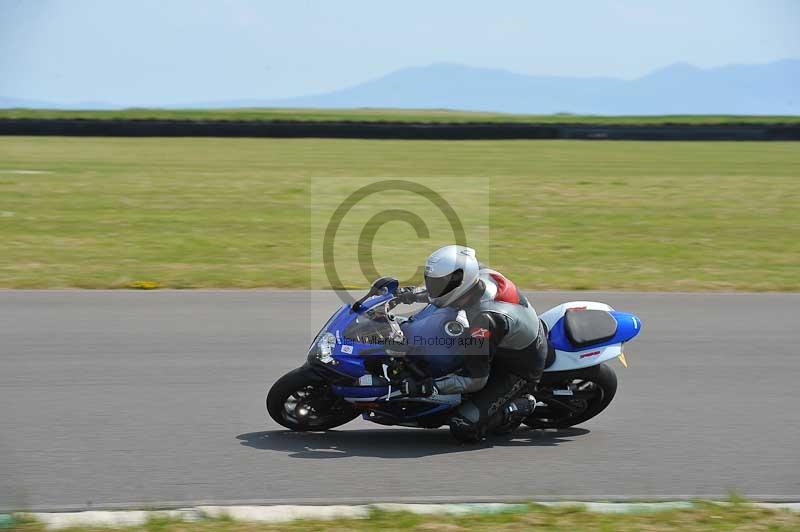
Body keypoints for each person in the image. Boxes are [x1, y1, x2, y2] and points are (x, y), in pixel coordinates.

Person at [396, 245, 550, 442]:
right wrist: (412, 295)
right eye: (431, 282)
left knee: (464, 425)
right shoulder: (477, 275)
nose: (433, 287)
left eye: (437, 283)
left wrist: (430, 387)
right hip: (507, 336)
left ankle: (522, 405)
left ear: (461, 282)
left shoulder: (484, 322)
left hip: (518, 367)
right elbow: (443, 291)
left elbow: (476, 379)